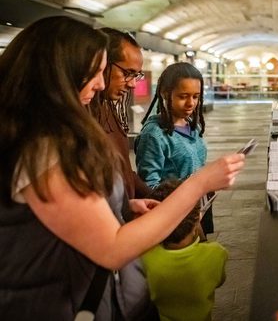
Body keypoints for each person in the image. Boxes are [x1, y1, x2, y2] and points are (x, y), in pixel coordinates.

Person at [0, 16, 245, 320]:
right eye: (95, 72)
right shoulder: (44, 148)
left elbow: (66, 211)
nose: (101, 83)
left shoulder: (45, 135)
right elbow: (113, 248)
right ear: (60, 73)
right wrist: (199, 184)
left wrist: (121, 205)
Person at [135, 62, 215, 235]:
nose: (191, 103)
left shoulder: (193, 126)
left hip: (197, 208)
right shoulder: (154, 135)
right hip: (176, 219)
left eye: (196, 96)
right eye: (183, 96)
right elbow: (150, 185)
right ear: (165, 93)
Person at [142, 179, 227, 321]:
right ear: (197, 220)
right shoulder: (217, 253)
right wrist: (200, 233)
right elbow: (219, 280)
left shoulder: (145, 259)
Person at [90, 28, 153, 213]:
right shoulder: (81, 117)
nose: (133, 84)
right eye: (128, 73)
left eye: (136, 75)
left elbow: (123, 168)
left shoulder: (107, 105)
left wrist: (158, 198)